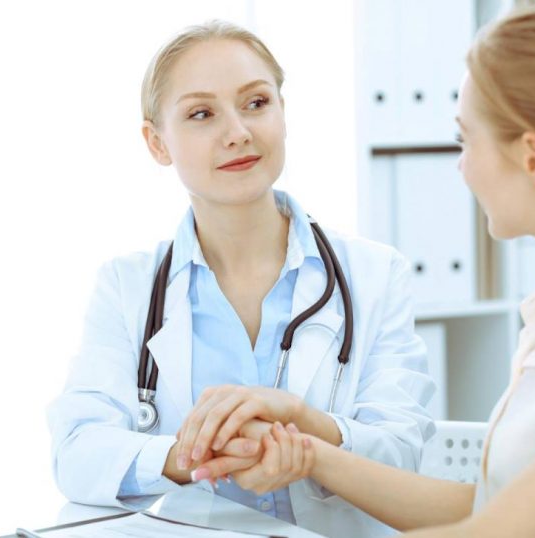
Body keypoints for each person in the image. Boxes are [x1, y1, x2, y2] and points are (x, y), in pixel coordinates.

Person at [198, 4, 535, 536]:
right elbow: (491, 507)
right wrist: (308, 447)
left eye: (467, 139)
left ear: (533, 157)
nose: (460, 165)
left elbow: (498, 532)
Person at [46, 20, 435, 538]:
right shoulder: (127, 287)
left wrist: (307, 437)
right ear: (157, 142)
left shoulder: (375, 274)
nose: (238, 131)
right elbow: (77, 452)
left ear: (282, 111)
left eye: (256, 103)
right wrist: (203, 452)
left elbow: (402, 456)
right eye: (201, 114)